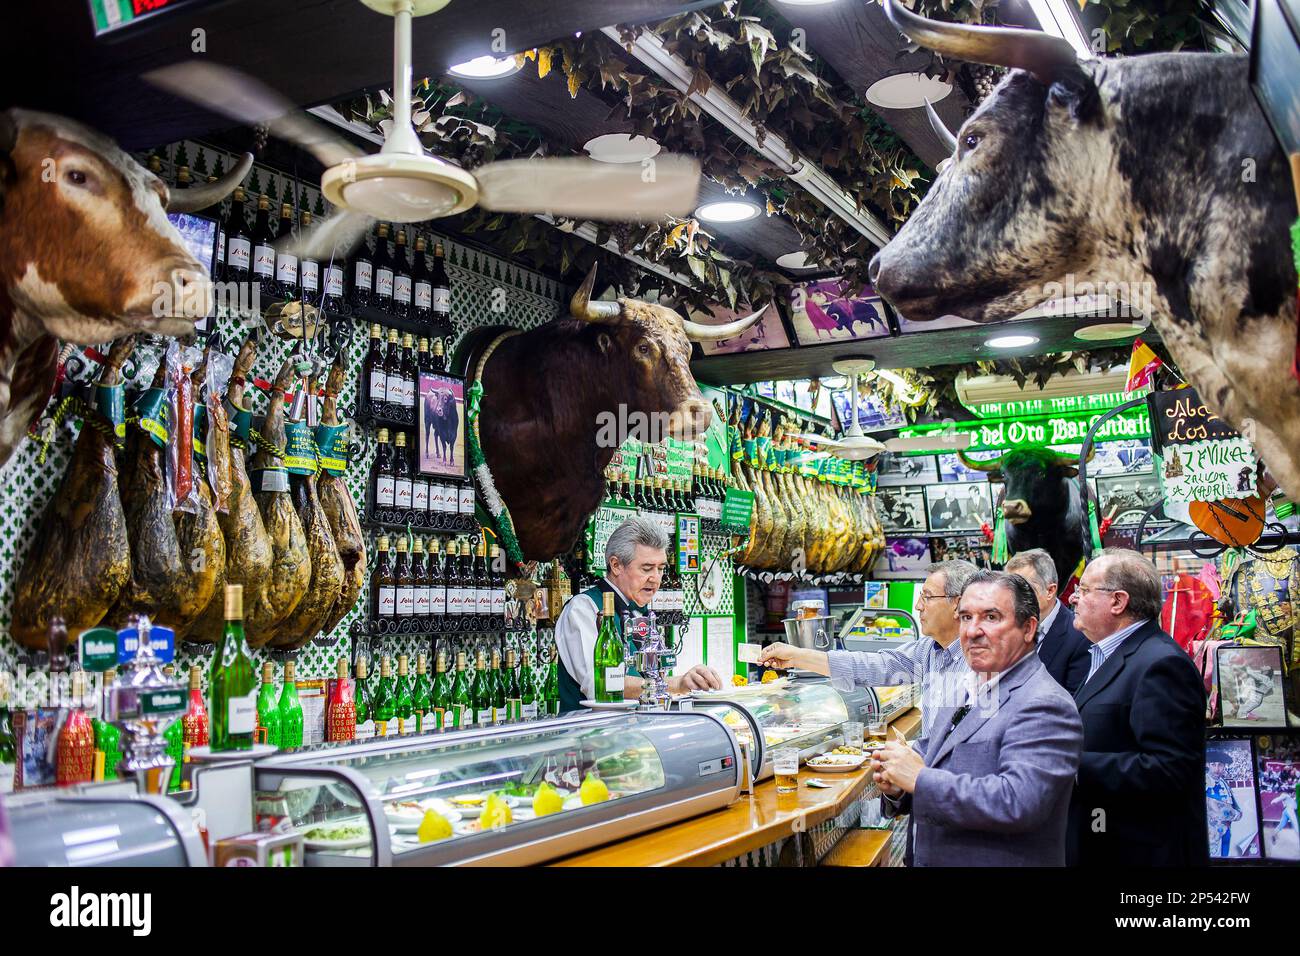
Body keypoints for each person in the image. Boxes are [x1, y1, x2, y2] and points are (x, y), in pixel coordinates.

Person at [870, 570, 1083, 866]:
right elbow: (934, 755)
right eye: (966, 617)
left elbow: (1017, 802)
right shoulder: (965, 685)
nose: (972, 631)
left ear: (1029, 628)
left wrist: (918, 779)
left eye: (991, 617)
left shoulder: (1045, 703)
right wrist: (896, 785)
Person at [1067, 548, 1207, 866]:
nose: (1075, 598)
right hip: (1105, 840)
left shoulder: (1161, 664)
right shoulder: (1105, 655)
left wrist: (1072, 765)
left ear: (1118, 601)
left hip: (1141, 853)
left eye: (1085, 590)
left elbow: (1169, 769)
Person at [759, 561, 979, 744]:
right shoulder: (927, 650)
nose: (918, 606)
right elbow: (873, 665)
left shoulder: (984, 663)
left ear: (957, 605)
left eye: (927, 597)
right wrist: (796, 656)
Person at [554, 516, 722, 712]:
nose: (656, 578)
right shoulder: (583, 609)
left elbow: (651, 676)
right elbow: (600, 686)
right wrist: (675, 684)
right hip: (592, 736)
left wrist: (686, 684)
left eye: (661, 569)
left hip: (637, 735)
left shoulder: (641, 612)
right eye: (647, 568)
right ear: (616, 565)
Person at [1004, 549, 1092, 694]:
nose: (1013, 599)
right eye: (1009, 590)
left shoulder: (1080, 637)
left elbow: (1073, 706)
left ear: (1050, 591)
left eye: (1023, 589)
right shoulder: (1007, 628)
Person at [1205, 748, 1243, 859]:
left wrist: (1238, 811)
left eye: (1220, 765)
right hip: (1211, 832)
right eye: (1213, 765)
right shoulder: (1204, 781)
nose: (1217, 769)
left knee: (1224, 857)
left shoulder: (1223, 782)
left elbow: (1233, 802)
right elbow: (1214, 807)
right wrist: (1236, 814)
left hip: (1226, 830)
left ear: (1224, 766)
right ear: (1208, 764)